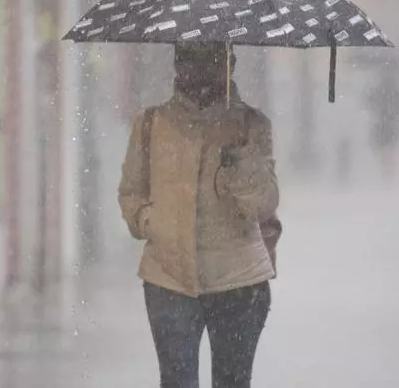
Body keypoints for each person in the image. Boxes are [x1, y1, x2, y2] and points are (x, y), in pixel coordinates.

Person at [118, 42, 280, 388]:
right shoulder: (150, 123)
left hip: (239, 282)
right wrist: (153, 222)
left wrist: (240, 155)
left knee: (233, 382)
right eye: (187, 57)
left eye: (210, 58)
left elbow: (264, 204)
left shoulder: (251, 125)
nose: (196, 69)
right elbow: (131, 194)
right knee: (177, 381)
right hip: (168, 280)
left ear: (230, 63)